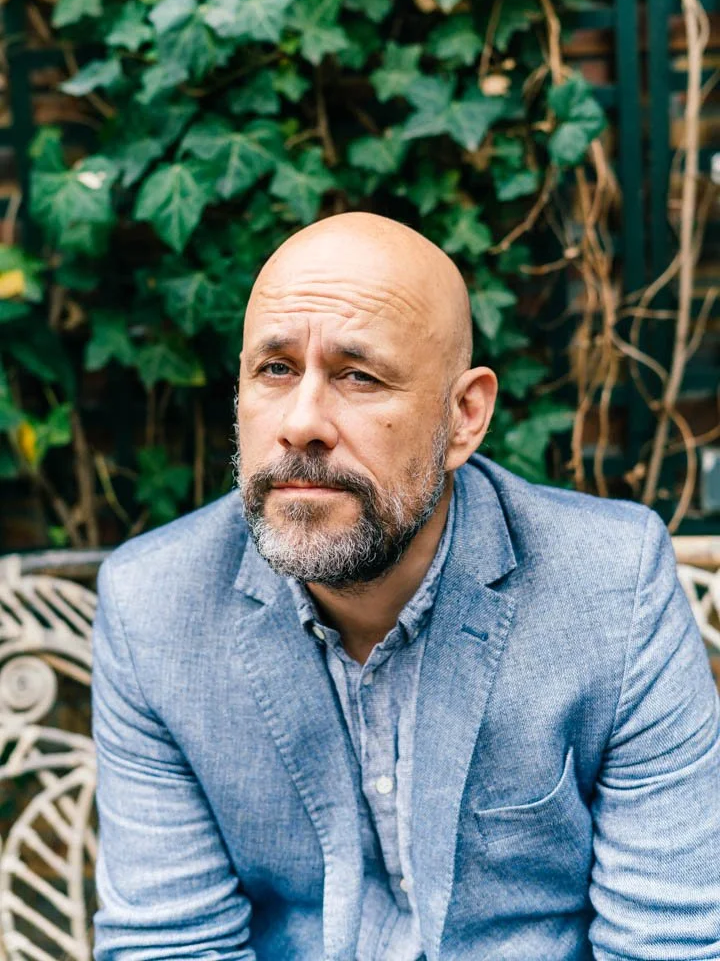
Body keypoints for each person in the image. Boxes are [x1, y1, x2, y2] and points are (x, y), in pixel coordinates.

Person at [92, 212, 720, 961]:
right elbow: (170, 942)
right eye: (276, 370)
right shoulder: (153, 608)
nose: (301, 423)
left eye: (358, 376)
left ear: (464, 416)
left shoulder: (611, 586)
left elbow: (671, 940)